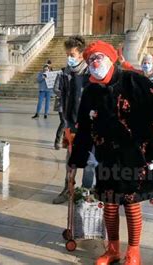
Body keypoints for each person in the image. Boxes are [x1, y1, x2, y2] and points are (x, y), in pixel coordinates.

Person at [68, 40, 153, 264]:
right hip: (107, 157)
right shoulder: (90, 92)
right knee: (110, 204)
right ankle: (112, 249)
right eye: (91, 59)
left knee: (132, 202)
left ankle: (133, 251)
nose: (95, 63)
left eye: (99, 57)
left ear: (111, 58)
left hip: (135, 155)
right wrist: (76, 162)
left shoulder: (134, 81)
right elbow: (84, 130)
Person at [51, 35, 92, 204]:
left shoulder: (91, 72)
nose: (69, 58)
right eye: (67, 54)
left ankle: (85, 193)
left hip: (88, 126)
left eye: (72, 55)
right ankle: (68, 189)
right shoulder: (65, 72)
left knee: (90, 163)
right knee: (70, 160)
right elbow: (59, 91)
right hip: (71, 124)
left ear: (81, 55)